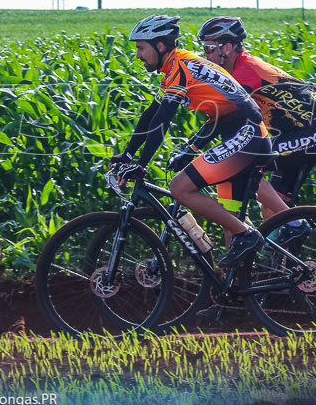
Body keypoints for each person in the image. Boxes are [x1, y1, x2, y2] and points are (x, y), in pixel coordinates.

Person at [111, 14, 290, 266]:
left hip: (247, 135)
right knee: (230, 221)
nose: (138, 55)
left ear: (160, 46)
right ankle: (233, 297)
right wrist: (128, 154)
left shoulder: (182, 66)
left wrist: (142, 164)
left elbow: (162, 121)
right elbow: (151, 114)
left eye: (141, 48)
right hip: (242, 136)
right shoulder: (175, 67)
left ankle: (250, 235)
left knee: (180, 187)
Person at [197, 16, 316, 240]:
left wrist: (192, 147)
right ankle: (285, 266)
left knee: (246, 164)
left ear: (228, 47)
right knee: (272, 210)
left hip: (310, 133)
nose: (205, 54)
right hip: (296, 134)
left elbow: (221, 115)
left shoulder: (246, 70)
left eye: (209, 48)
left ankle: (296, 224)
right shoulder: (235, 71)